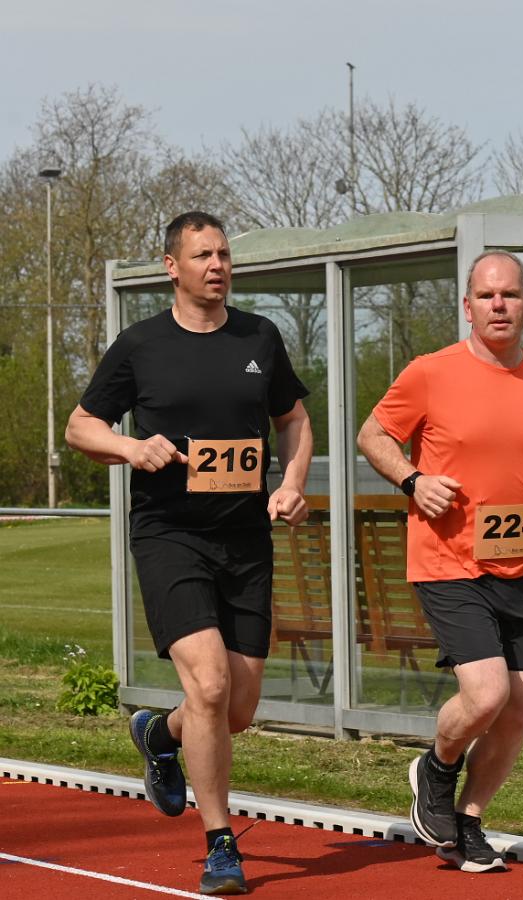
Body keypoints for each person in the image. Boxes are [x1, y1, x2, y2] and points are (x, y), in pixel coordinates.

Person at [66, 211, 312, 896]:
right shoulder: (141, 345)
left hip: (245, 540)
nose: (218, 265)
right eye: (203, 255)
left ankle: (161, 734)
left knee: (236, 709)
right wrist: (129, 446)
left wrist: (292, 482)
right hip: (169, 535)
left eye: (224, 254)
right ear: (171, 267)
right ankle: (220, 844)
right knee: (207, 685)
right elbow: (81, 426)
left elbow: (293, 419)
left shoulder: (260, 336)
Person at [356, 249, 523, 873]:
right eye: (486, 296)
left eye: (510, 295)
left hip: (522, 562)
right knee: (486, 694)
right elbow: (372, 435)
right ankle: (436, 769)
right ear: (467, 307)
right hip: (448, 559)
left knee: (520, 706)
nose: (498, 305)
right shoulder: (430, 372)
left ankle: (469, 818)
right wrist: (412, 481)